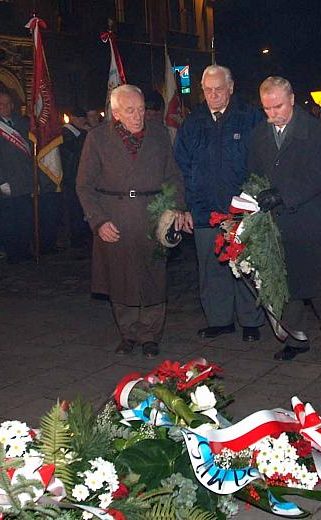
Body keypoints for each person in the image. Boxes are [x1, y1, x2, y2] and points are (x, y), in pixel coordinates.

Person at [77, 84, 191, 358]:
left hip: (153, 216)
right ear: (115, 113)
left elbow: (173, 177)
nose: (138, 116)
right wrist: (98, 221)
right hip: (114, 217)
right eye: (130, 111)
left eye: (140, 109)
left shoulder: (159, 134)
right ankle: (127, 334)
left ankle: (150, 335)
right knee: (120, 278)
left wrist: (176, 208)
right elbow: (84, 185)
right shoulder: (97, 138)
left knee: (154, 277)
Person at [248, 76, 321, 361]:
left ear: (291, 100)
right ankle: (296, 338)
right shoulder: (259, 134)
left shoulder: (315, 131)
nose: (272, 113)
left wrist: (283, 194)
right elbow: (253, 172)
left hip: (310, 218)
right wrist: (254, 196)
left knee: (317, 282)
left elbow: (319, 175)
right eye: (266, 108)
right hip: (276, 222)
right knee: (284, 282)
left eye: (277, 107)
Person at [174, 65, 265, 342]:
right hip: (204, 210)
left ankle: (251, 321)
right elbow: (180, 167)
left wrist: (255, 202)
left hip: (242, 211)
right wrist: (185, 207)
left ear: (231, 88)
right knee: (211, 269)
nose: (213, 95)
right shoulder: (193, 123)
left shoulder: (250, 118)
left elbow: (262, 164)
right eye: (208, 90)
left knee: (245, 266)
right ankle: (219, 320)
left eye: (219, 89)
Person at [0, 92, 34, 263]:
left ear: (12, 105)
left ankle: (25, 250)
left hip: (24, 180)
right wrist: (1, 181)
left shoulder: (22, 123)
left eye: (7, 104)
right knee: (10, 221)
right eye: (1, 104)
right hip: (8, 182)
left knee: (25, 218)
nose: (5, 107)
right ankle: (14, 253)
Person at [61, 107, 90, 247]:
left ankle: (83, 235)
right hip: (71, 177)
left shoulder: (82, 132)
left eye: (82, 118)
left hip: (83, 175)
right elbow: (72, 152)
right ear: (72, 118)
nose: (80, 121)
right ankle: (76, 238)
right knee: (74, 209)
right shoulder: (66, 133)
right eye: (78, 118)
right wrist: (84, 134)